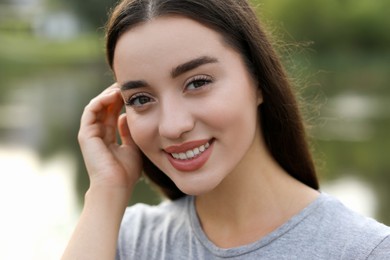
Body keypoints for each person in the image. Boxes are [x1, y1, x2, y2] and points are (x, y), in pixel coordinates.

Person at [62, 0, 390, 259]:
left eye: (198, 82)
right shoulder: (128, 241)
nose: (173, 126)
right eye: (141, 98)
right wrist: (107, 191)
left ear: (258, 80)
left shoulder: (364, 250)